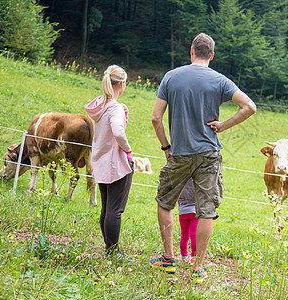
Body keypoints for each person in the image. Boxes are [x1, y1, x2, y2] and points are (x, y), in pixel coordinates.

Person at [150, 32, 256, 283]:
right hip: (209, 154)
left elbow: (156, 118)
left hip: (179, 152)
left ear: (191, 51)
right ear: (212, 55)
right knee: (206, 211)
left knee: (165, 202)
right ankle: (198, 267)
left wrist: (166, 147)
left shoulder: (171, 77)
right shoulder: (220, 80)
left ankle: (168, 258)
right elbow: (250, 107)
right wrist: (224, 125)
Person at [85, 64, 134, 259]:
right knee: (115, 209)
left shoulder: (102, 105)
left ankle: (109, 248)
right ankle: (113, 252)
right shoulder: (114, 108)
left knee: (106, 207)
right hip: (116, 163)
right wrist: (127, 149)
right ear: (122, 83)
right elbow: (118, 132)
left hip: (101, 160)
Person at [178, 178, 197, 264]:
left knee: (184, 235)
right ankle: (194, 257)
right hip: (194, 211)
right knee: (194, 236)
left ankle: (184, 257)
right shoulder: (196, 179)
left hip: (182, 212)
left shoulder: (181, 179)